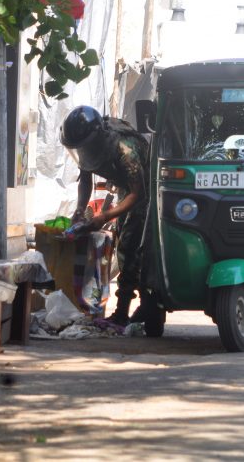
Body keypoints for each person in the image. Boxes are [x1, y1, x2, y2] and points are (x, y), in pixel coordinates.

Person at [60, 106, 149, 326]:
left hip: (146, 190)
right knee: (123, 242)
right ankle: (144, 307)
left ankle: (124, 312)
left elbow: (138, 193)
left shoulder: (125, 150)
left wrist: (104, 217)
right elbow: (85, 178)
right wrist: (80, 210)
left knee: (131, 248)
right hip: (125, 189)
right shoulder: (88, 144)